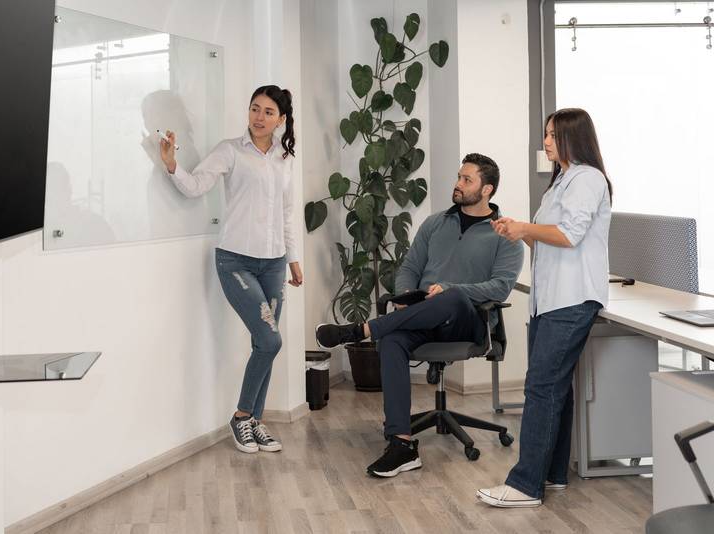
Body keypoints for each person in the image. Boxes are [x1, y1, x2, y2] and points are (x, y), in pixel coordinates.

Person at [315, 153, 524, 477]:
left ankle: (361, 330)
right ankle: (401, 444)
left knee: (452, 296)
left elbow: (500, 288)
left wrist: (451, 289)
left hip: (467, 323)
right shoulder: (435, 223)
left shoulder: (505, 235)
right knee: (394, 340)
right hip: (421, 316)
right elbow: (410, 268)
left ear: (487, 190)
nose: (458, 184)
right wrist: (404, 297)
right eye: (458, 176)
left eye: (467, 179)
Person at [477, 108, 612, 507]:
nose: (546, 141)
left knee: (540, 388)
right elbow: (550, 241)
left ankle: (524, 486)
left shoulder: (587, 179)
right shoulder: (560, 184)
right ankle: (552, 474)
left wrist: (524, 228)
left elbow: (570, 236)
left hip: (571, 298)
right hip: (551, 298)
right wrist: (519, 231)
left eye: (552, 135)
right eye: (546, 134)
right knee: (557, 390)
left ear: (573, 137)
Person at [159, 85, 303, 454]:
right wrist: (173, 165)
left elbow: (286, 213)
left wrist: (292, 258)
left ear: (281, 120)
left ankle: (254, 421)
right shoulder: (230, 150)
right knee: (271, 340)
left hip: (272, 263)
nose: (259, 117)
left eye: (268, 112)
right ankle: (241, 417)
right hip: (235, 260)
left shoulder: (285, 159)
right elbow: (195, 186)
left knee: (264, 346)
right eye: (255, 108)